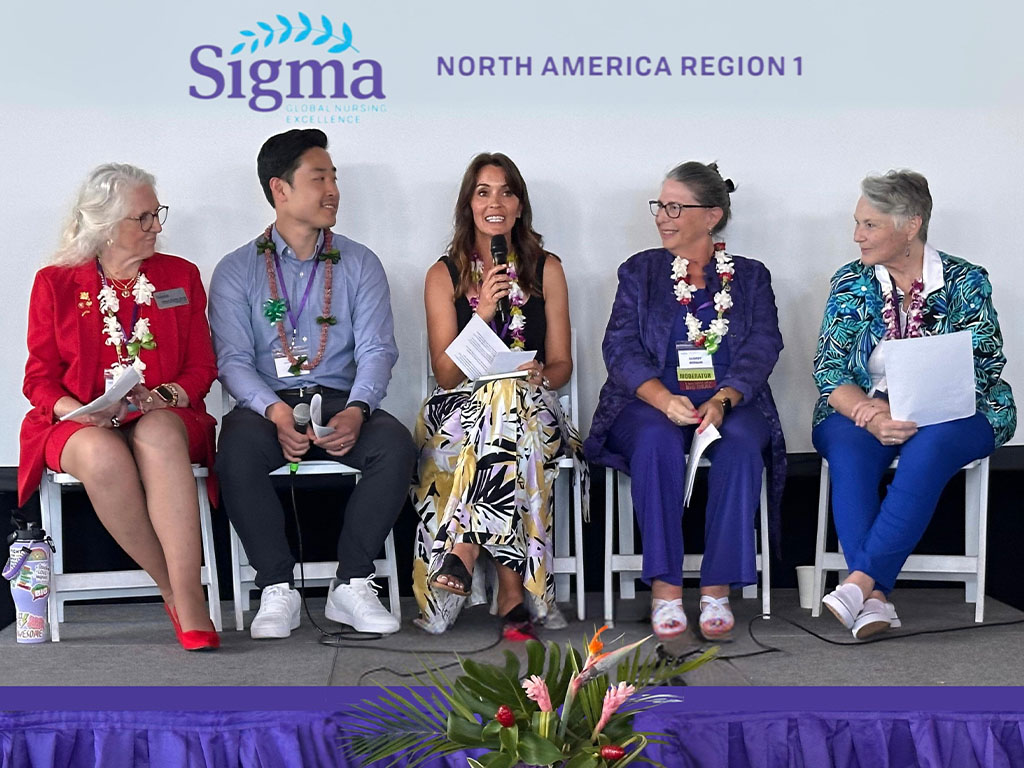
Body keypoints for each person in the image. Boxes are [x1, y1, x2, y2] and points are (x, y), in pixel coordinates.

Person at [210, 129, 415, 639]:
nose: (332, 191)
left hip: (342, 399)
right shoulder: (237, 270)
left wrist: (359, 409)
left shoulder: (360, 263)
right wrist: (274, 412)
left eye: (334, 178)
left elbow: (377, 350)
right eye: (318, 178)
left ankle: (353, 582)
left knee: (393, 445)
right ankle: (276, 586)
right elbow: (233, 360)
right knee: (235, 448)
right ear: (280, 190)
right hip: (268, 405)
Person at [19, 163, 220, 651]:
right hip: (79, 420)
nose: (156, 227)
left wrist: (162, 397)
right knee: (101, 454)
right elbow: (39, 379)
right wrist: (78, 408)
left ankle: (189, 595)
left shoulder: (180, 276)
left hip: (163, 413)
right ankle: (174, 588)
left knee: (157, 432)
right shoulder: (56, 283)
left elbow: (201, 368)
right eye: (144, 217)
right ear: (106, 227)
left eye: (157, 214)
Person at [585, 161, 786, 642]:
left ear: (712, 215)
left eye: (675, 206)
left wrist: (724, 397)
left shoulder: (751, 278)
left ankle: (717, 589)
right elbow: (620, 347)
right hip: (648, 405)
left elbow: (763, 345)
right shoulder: (640, 271)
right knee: (655, 442)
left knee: (739, 446)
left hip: (728, 404)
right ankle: (666, 589)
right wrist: (661, 398)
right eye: (661, 205)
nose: (662, 216)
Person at [812, 170, 1016, 639]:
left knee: (929, 448)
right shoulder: (849, 282)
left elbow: (984, 363)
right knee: (850, 450)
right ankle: (876, 600)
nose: (857, 235)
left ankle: (861, 582)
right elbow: (829, 369)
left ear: (910, 225)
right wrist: (867, 411)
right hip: (863, 405)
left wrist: (918, 407)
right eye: (858, 223)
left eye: (870, 225)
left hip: (958, 408)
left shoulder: (965, 280)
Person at [411, 152, 587, 638]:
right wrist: (483, 313)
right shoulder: (443, 274)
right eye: (484, 191)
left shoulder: (546, 268)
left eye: (506, 191)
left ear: (519, 204)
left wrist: (539, 375)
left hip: (534, 405)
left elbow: (562, 365)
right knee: (503, 415)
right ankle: (516, 594)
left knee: (510, 402)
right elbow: (445, 375)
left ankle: (462, 551)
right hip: (459, 411)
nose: (496, 202)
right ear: (468, 203)